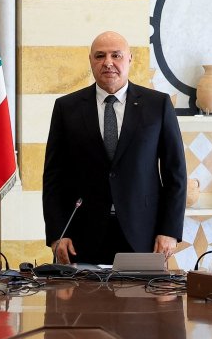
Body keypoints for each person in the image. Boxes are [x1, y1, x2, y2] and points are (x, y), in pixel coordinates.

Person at [42, 31, 187, 265]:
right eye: (100, 56)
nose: (108, 62)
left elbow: (175, 174)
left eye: (116, 55)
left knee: (142, 301)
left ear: (130, 59)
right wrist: (58, 233)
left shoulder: (157, 105)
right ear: (90, 60)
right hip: (81, 238)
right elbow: (53, 178)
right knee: (82, 302)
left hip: (145, 236)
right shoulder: (66, 108)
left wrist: (169, 230)